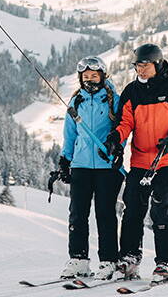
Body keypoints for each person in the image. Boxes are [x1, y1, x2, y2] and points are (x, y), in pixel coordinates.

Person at [104, 43, 168, 285]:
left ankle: (165, 264)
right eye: (137, 65)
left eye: (145, 65)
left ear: (157, 64)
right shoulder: (132, 91)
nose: (141, 70)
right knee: (133, 208)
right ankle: (129, 258)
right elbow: (125, 122)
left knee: (159, 208)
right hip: (140, 159)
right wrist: (117, 138)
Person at [58, 56, 124, 281]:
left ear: (103, 76)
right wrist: (65, 160)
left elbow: (123, 129)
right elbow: (70, 134)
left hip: (107, 166)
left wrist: (117, 149)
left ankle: (108, 261)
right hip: (81, 165)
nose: (90, 81)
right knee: (77, 214)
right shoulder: (76, 102)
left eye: (94, 76)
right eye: (85, 77)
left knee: (105, 214)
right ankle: (78, 260)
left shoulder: (114, 101)